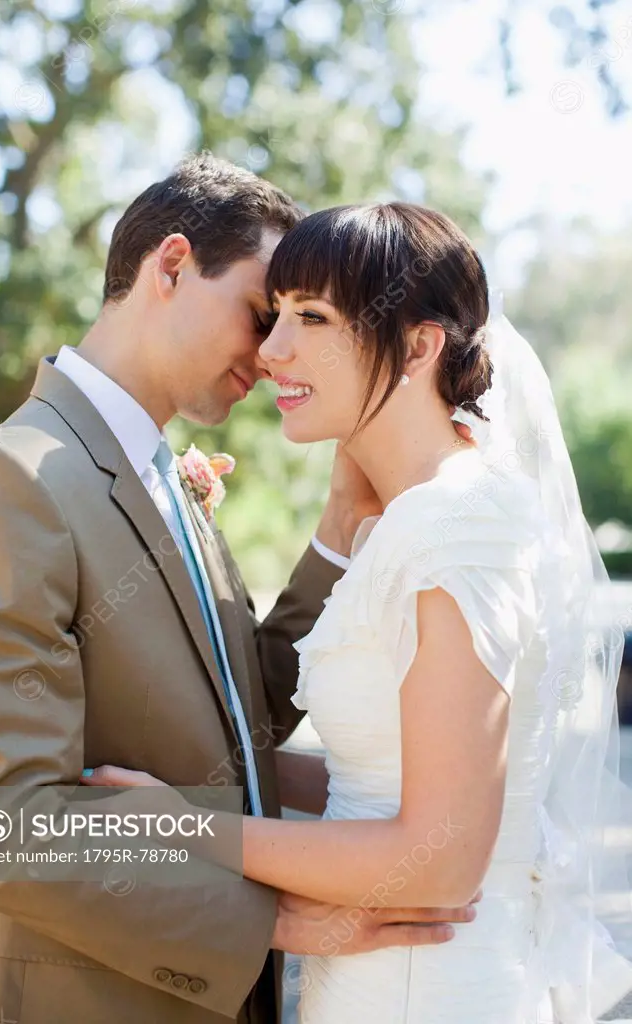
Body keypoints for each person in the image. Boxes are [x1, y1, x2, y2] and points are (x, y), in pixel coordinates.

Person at [0, 156, 478, 1024]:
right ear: (170, 265)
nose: (275, 356)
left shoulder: (159, 472)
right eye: (261, 313)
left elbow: (241, 722)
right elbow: (1, 829)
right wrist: (273, 919)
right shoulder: (12, 481)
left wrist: (338, 533)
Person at [87, 201, 632, 1022]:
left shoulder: (454, 526)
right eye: (274, 317)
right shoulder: (421, 515)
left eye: (311, 317)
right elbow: (384, 773)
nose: (271, 352)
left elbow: (438, 857)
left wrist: (183, 826)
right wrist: (198, 774)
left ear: (418, 346)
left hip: (429, 989)